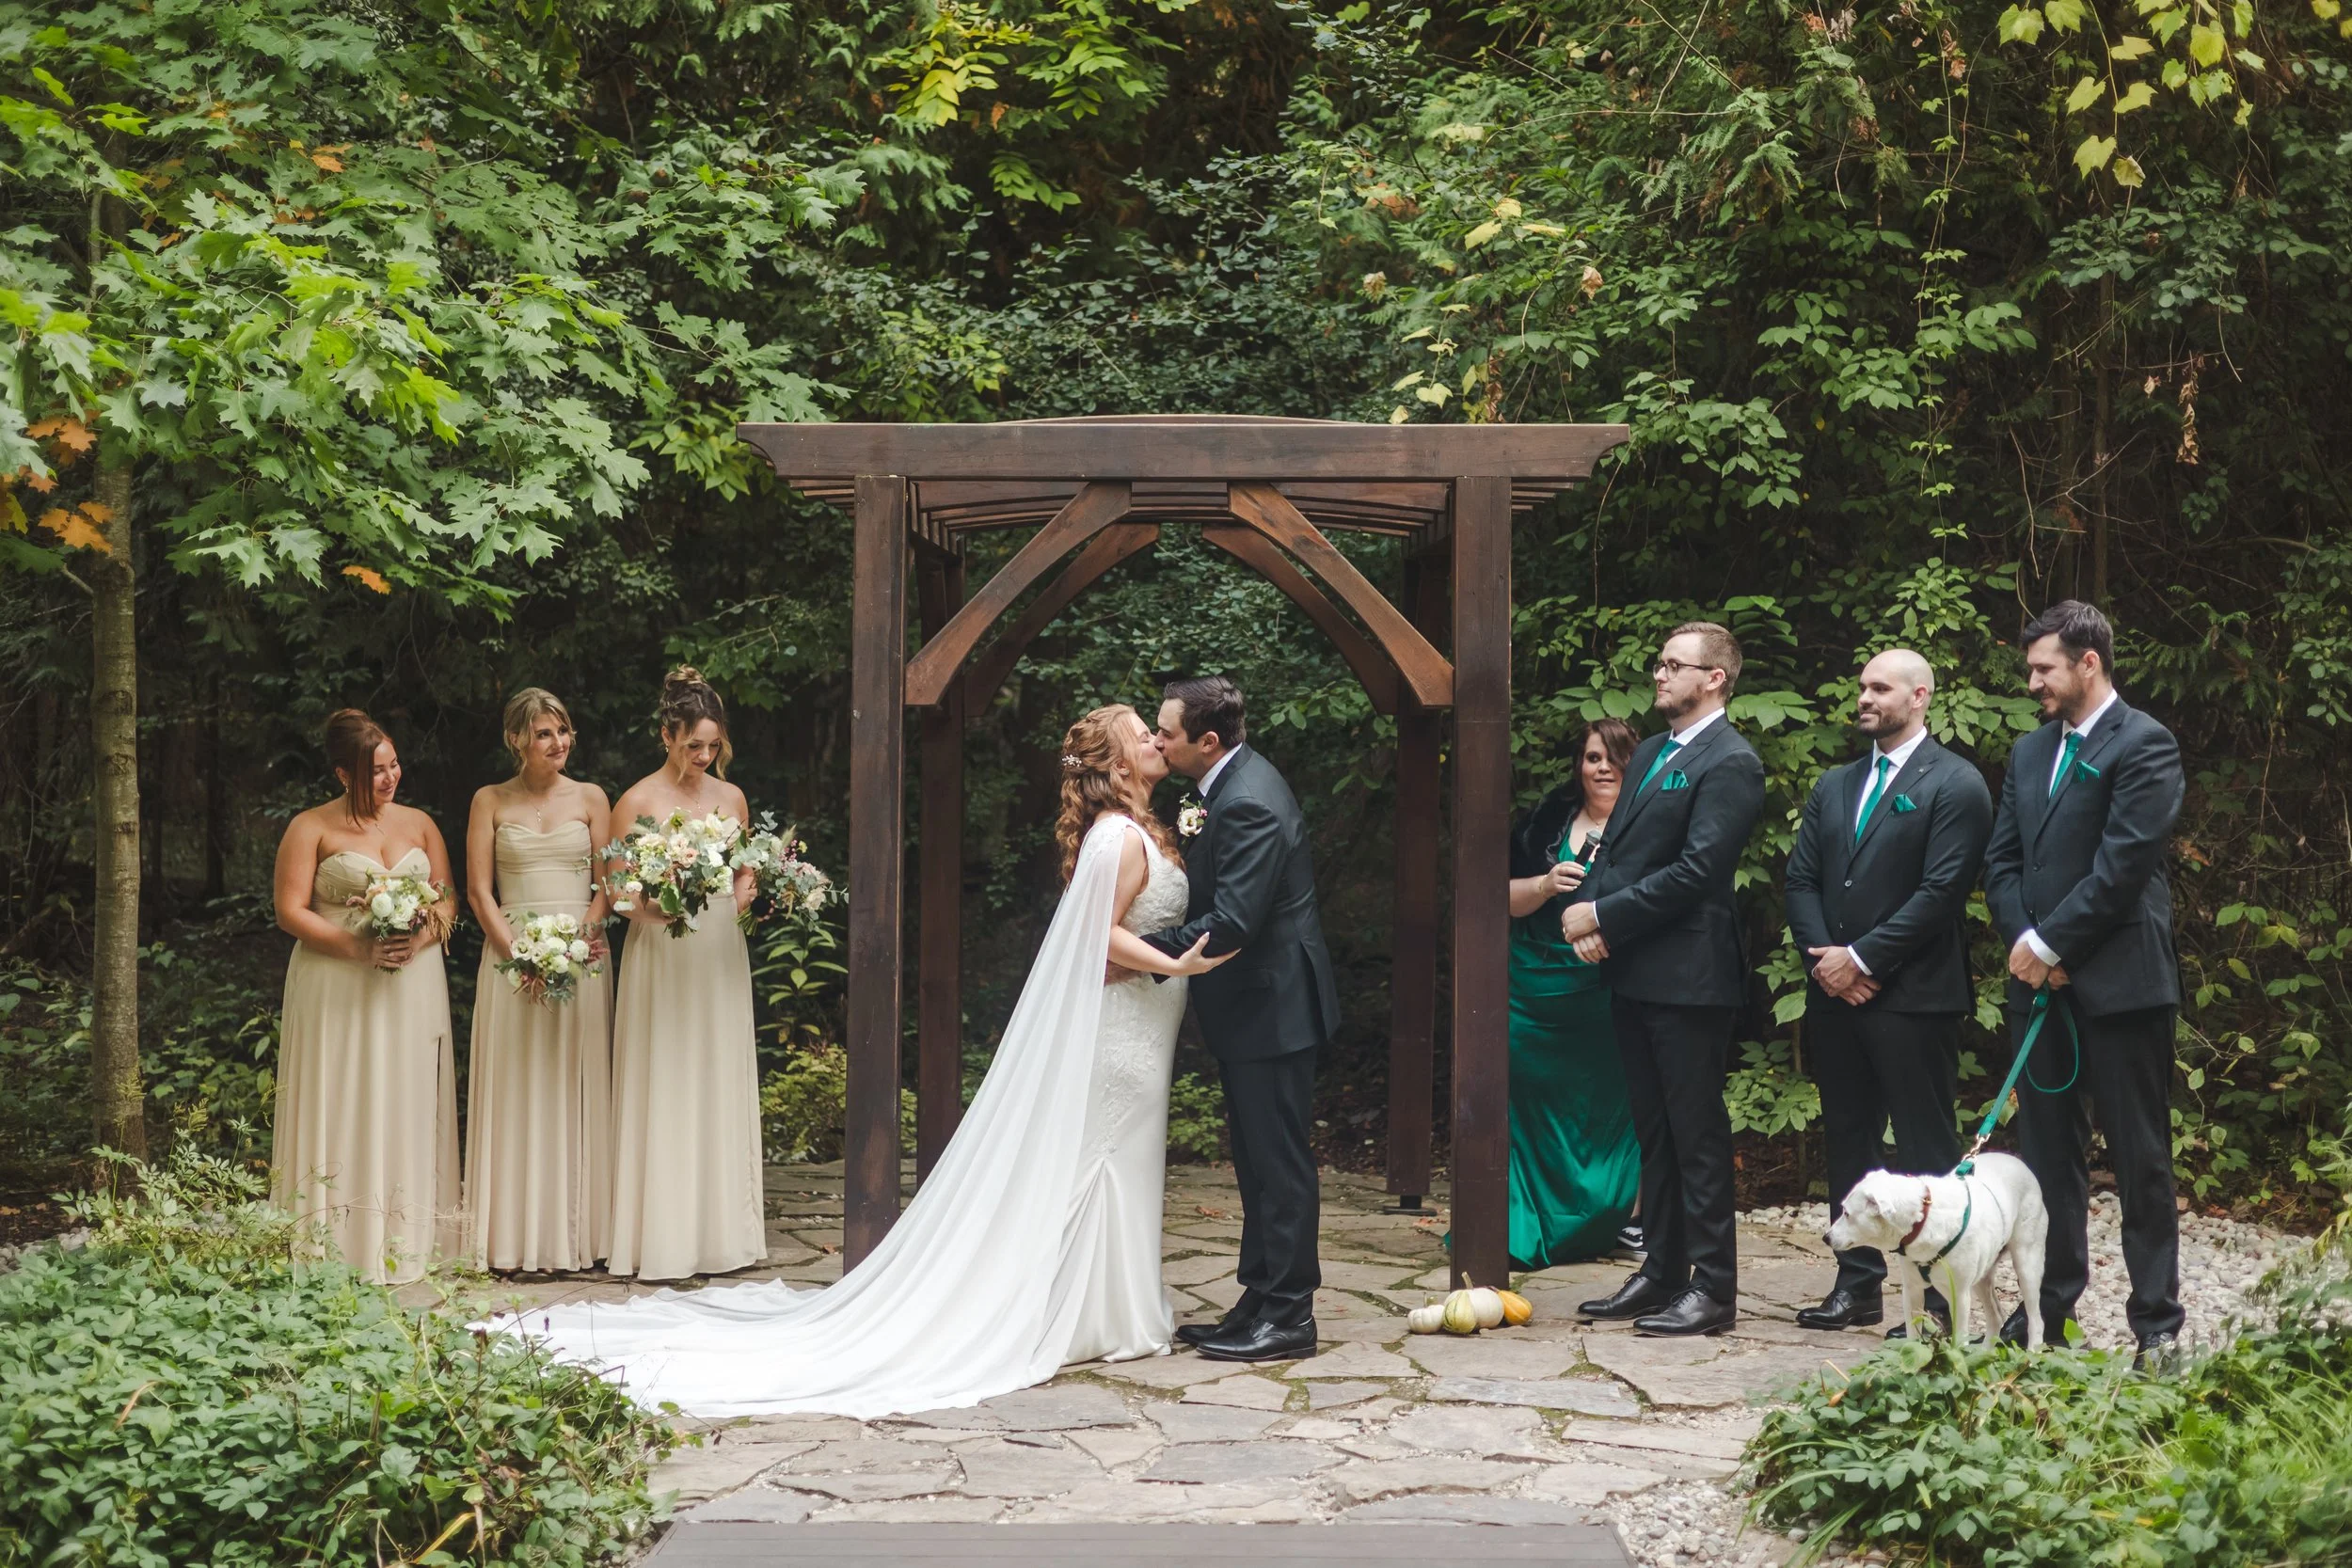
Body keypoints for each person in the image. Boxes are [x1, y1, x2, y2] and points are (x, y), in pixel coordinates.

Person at [503, 704, 1228, 1417]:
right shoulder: (1118, 838)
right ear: (1116, 760)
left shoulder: (1138, 830)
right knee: (1099, 1157)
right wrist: (1182, 964)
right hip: (1123, 1028)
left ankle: (1108, 1305)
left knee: (1115, 1155)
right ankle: (1093, 1311)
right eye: (1143, 733)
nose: (1156, 740)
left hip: (1141, 1022)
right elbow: (1096, 937)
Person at [1982, 601, 2185, 1362]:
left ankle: (2157, 1325)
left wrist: (2053, 939)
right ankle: (2053, 1312)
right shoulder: (2030, 752)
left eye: (2044, 668)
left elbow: (2123, 864)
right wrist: (2027, 946)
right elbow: (2002, 861)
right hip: (2040, 988)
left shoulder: (2145, 743)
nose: (2033, 681)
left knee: (2141, 1156)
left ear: (2088, 663)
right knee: (2046, 1158)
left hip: (2123, 985)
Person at [1785, 650, 1993, 1336]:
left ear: (1921, 695)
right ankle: (1858, 1285)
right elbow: (1802, 881)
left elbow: (1941, 892)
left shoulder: (1956, 784)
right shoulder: (1835, 784)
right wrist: (1826, 962)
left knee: (1927, 1143)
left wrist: (1865, 957)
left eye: (1880, 687)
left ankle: (1939, 1304)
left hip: (1913, 996)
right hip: (1835, 996)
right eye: (1862, 686)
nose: (1865, 697)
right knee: (1848, 1135)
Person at [1567, 623, 1767, 1337]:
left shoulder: (1732, 761)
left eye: (1674, 665)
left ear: (1715, 678)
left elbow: (1696, 872)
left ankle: (1714, 1288)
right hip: (1633, 972)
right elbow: (1619, 851)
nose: (1659, 674)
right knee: (1653, 1132)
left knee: (1697, 1134)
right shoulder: (1650, 752)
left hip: (1690, 976)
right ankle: (1661, 1272)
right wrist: (1589, 921)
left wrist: (1605, 916)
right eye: (1658, 662)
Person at [1144, 674, 1340, 1364]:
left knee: (1280, 1164)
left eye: (1165, 732)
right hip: (1253, 1006)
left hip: (1273, 1004)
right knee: (1257, 1161)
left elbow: (1232, 924)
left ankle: (1290, 1314)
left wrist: (1134, 953)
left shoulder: (1249, 800)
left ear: (1207, 740)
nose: (1157, 740)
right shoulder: (1221, 786)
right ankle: (1259, 1297)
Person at [271, 709, 460, 1284]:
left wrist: (419, 936)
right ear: (342, 774)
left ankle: (404, 1240)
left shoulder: (421, 823)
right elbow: (289, 911)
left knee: (404, 1099)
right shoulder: (311, 828)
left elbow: (449, 900)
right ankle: (336, 1247)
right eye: (376, 769)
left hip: (413, 982)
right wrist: (360, 950)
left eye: (394, 764)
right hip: (337, 984)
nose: (390, 777)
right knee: (345, 1097)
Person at [604, 668, 767, 1280]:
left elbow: (746, 868)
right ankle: (664, 1233)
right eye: (693, 744)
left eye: (712, 746)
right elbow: (617, 888)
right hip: (663, 948)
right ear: (666, 734)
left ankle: (723, 1233)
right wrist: (659, 905)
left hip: (720, 948)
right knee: (668, 1072)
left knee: (716, 1071)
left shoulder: (731, 798)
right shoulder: (637, 802)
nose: (704, 756)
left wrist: (733, 901)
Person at [462, 688, 615, 1274]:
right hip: (512, 952)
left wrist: (578, 940)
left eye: (564, 731)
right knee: (519, 1082)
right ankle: (511, 1237)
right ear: (516, 740)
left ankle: (580, 1233)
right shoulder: (489, 801)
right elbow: (479, 890)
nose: (559, 743)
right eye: (545, 733)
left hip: (583, 953)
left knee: (572, 1080)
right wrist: (517, 956)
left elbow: (609, 885)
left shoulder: (593, 798)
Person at [1504, 718, 1643, 1269]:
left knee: (1612, 1107)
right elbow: (1500, 898)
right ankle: (1525, 1221)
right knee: (1528, 1102)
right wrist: (1543, 885)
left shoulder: (1648, 824)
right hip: (1533, 985)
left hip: (1606, 987)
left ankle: (1616, 1218)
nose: (1603, 767)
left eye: (1614, 757)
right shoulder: (1545, 823)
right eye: (1592, 757)